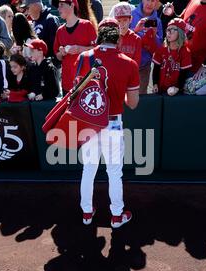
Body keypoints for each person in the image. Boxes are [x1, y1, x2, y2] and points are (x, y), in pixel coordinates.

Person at [74, 18, 140, 229]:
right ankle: (117, 216)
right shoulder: (129, 63)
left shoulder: (84, 57)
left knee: (89, 170)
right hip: (112, 122)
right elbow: (133, 104)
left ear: (99, 35)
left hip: (89, 122)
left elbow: (75, 94)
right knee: (114, 172)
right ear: (117, 36)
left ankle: (86, 213)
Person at [53, 0, 97, 95]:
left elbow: (97, 49)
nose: (58, 8)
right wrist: (61, 53)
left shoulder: (86, 25)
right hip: (67, 82)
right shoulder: (60, 30)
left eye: (62, 5)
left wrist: (80, 49)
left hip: (85, 80)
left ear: (72, 5)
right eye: (58, 5)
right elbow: (58, 55)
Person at [130, 0, 163, 94]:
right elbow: (121, 37)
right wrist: (135, 30)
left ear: (156, 2)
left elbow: (159, 48)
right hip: (127, 64)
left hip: (144, 66)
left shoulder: (157, 21)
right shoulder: (131, 15)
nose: (149, 4)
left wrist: (154, 35)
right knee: (123, 96)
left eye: (153, 1)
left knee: (140, 97)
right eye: (147, 0)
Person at [152, 18, 192, 95]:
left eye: (172, 29)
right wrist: (155, 84)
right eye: (167, 30)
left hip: (176, 92)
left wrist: (177, 88)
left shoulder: (185, 52)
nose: (168, 32)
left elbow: (183, 75)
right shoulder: (161, 49)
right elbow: (156, 69)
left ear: (180, 33)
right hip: (160, 90)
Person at [24, 0, 60, 65]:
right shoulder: (34, 22)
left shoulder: (50, 19)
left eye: (27, 8)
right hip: (39, 65)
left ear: (35, 6)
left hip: (51, 67)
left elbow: (56, 48)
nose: (27, 12)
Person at [111, 2, 142, 66]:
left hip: (129, 74)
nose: (122, 23)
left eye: (125, 20)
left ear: (130, 19)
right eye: (119, 21)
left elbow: (136, 63)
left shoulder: (136, 39)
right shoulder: (111, 38)